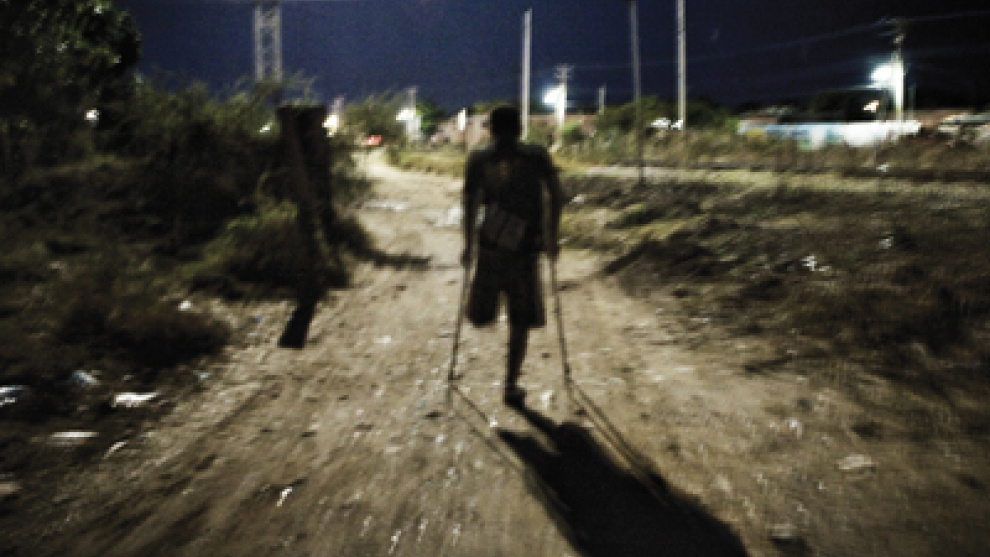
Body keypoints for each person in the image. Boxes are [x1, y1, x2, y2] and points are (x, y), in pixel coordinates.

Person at [460, 105, 563, 407]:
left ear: (490, 130)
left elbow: (469, 203)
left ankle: (505, 377)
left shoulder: (478, 159)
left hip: (491, 245)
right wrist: (552, 237)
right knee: (521, 318)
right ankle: (510, 383)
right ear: (519, 129)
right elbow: (556, 196)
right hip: (525, 249)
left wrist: (468, 244)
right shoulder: (536, 156)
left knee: (482, 313)